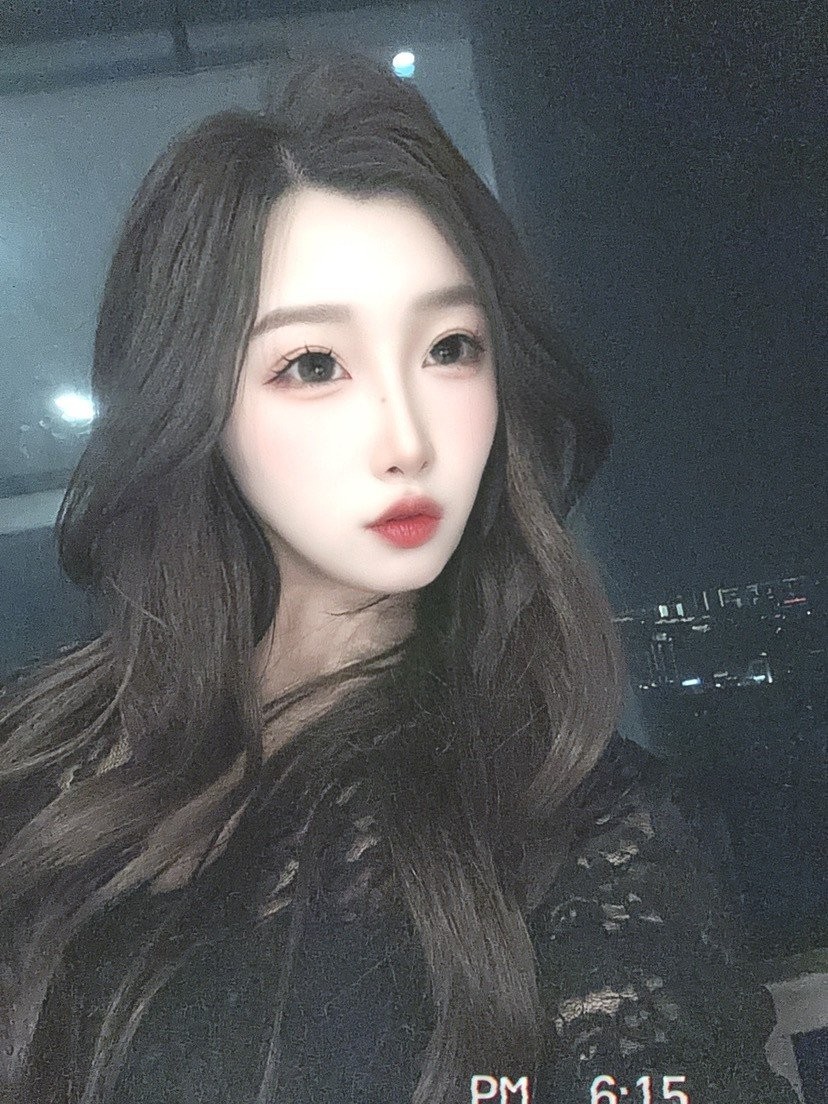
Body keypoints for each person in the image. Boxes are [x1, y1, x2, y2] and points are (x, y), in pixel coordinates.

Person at [0, 52, 798, 1104]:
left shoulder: (585, 829)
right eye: (314, 365)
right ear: (196, 407)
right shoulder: (35, 746)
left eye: (451, 348)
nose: (407, 439)